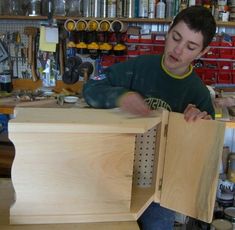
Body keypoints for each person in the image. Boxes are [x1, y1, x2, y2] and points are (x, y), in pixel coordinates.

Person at [83, 5, 216, 230]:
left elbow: (203, 158)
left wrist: (198, 128)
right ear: (168, 31)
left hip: (161, 192)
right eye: (176, 38)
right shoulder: (137, 68)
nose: (178, 50)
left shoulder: (199, 94)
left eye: (191, 46)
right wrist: (120, 97)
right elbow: (90, 89)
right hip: (116, 174)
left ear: (202, 53)